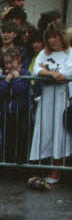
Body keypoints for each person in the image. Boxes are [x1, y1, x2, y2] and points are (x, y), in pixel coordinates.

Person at [28, 20, 72, 184]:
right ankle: (43, 166)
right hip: (46, 96)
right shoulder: (44, 53)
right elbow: (35, 70)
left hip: (61, 97)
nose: (52, 41)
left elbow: (66, 72)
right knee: (44, 130)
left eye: (55, 37)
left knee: (59, 131)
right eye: (49, 37)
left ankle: (56, 169)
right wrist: (51, 74)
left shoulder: (70, 53)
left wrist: (47, 72)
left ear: (62, 37)